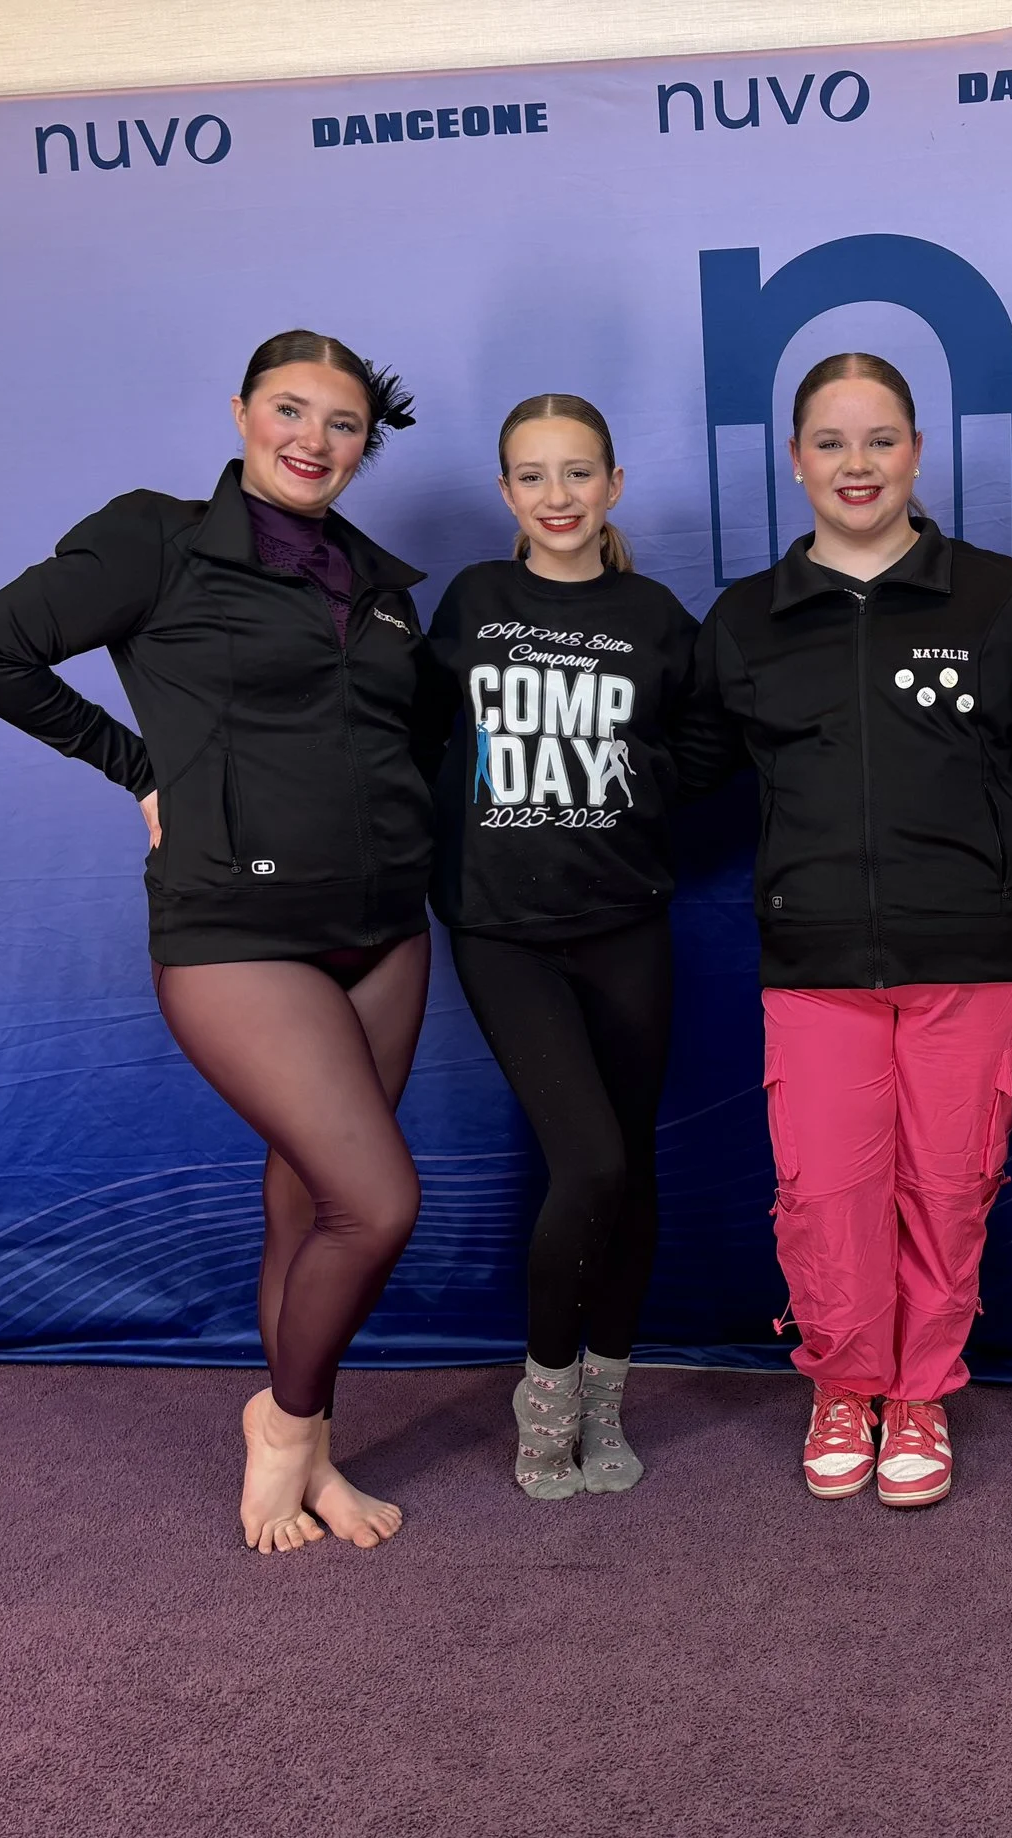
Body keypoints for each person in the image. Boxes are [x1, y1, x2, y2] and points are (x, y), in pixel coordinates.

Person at [0, 330, 444, 1556]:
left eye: (342, 422)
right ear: (240, 412)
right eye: (290, 408)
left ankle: (312, 1452)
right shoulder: (156, 538)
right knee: (376, 1204)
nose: (313, 439)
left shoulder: (378, 579)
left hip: (383, 927)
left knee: (308, 1202)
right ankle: (284, 1419)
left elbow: (396, 738)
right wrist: (138, 767)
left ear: (367, 444)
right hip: (234, 927)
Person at [680, 354, 1012, 1508]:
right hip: (814, 963)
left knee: (950, 1187)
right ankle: (843, 1382)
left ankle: (919, 1396)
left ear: (916, 451)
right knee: (827, 1192)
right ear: (795, 458)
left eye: (880, 439)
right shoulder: (746, 620)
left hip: (972, 956)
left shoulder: (999, 600)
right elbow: (689, 767)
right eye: (832, 443)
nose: (857, 465)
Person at [421, 394, 703, 1500]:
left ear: (615, 484)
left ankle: (606, 1390)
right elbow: (411, 737)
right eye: (533, 477)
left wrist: (635, 791)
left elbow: (703, 746)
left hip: (626, 920)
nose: (558, 497)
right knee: (586, 1159)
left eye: (578, 473)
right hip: (504, 929)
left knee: (630, 1169)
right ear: (506, 495)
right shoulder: (474, 602)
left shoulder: (655, 614)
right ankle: (544, 1386)